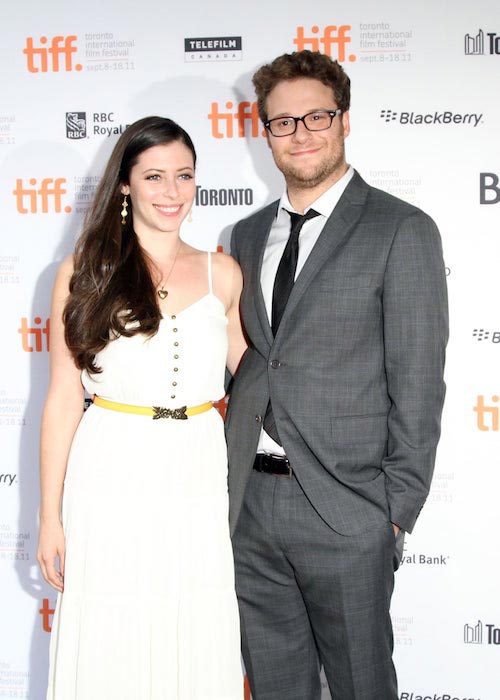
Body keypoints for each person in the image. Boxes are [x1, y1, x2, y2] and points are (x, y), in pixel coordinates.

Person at [225, 50, 448, 700]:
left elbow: (418, 380)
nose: (300, 134)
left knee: (361, 686)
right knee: (275, 687)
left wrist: (394, 511)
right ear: (264, 132)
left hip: (349, 509)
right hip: (249, 509)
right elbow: (254, 361)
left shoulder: (400, 229)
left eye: (316, 116)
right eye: (282, 122)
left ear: (344, 120)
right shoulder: (243, 235)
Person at [37, 116, 246, 700]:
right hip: (112, 470)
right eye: (154, 176)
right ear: (125, 185)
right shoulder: (85, 274)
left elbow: (257, 382)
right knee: (113, 620)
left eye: (184, 176)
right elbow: (61, 398)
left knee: (195, 618)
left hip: (199, 471)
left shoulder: (222, 272)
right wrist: (49, 516)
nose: (172, 191)